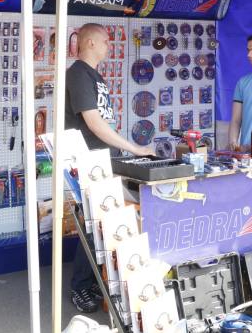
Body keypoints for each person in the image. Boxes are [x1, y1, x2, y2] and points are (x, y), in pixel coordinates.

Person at [65, 23, 154, 313]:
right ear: (90, 42)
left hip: (103, 159)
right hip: (89, 160)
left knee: (104, 224)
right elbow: (93, 122)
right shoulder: (78, 74)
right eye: (105, 41)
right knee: (93, 225)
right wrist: (135, 148)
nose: (109, 46)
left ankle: (94, 280)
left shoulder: (93, 75)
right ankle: (80, 286)